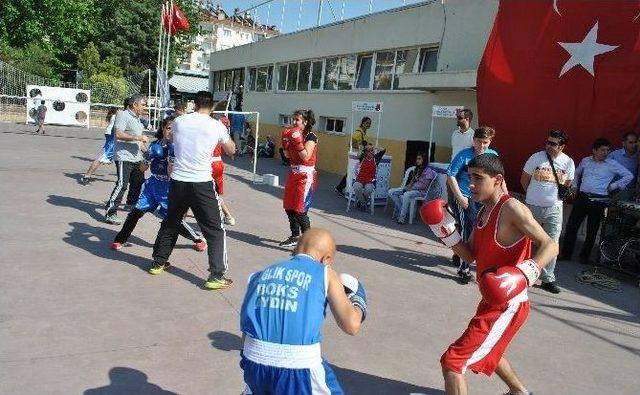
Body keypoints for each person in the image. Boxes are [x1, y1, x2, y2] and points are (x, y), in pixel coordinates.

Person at [421, 153, 558, 395]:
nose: (471, 184)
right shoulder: (483, 213)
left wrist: (525, 272)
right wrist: (445, 231)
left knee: (452, 362)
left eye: (478, 178)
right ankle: (520, 393)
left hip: (508, 303)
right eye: (469, 177)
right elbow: (470, 255)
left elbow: (550, 244)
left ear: (497, 180)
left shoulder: (512, 208)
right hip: (491, 298)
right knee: (491, 351)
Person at [239, 228, 366, 395]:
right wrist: (358, 299)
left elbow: (245, 332)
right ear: (326, 259)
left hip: (253, 361)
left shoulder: (258, 275)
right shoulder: (325, 272)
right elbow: (352, 325)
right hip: (299, 367)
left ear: (295, 249)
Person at [150, 91, 236, 290]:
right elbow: (231, 150)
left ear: (194, 104)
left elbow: (171, 138)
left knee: (171, 222)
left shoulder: (180, 122)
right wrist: (226, 134)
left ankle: (158, 262)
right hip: (201, 182)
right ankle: (216, 275)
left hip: (178, 181)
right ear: (211, 106)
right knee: (215, 229)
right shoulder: (216, 125)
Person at [110, 117, 206, 252]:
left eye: (175, 130)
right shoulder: (155, 144)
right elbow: (143, 169)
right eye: (168, 129)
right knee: (135, 212)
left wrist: (171, 156)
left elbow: (171, 173)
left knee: (173, 220)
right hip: (153, 185)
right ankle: (120, 239)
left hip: (170, 188)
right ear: (163, 128)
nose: (171, 132)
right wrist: (147, 157)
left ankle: (197, 238)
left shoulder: (181, 149)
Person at [560, 138, 633, 264]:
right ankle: (566, 253)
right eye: (602, 150)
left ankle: (584, 256)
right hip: (582, 197)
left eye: (607, 150)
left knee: (592, 229)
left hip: (599, 199)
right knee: (572, 226)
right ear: (594, 150)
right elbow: (576, 173)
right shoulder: (586, 160)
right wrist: (575, 186)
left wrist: (613, 186)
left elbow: (629, 175)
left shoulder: (612, 164)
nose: (605, 153)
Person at [520, 129, 575, 294]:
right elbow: (524, 179)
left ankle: (547, 278)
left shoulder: (568, 162)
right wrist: (532, 196)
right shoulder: (536, 157)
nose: (548, 146)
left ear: (562, 146)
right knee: (524, 240)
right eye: (547, 142)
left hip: (554, 208)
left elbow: (568, 183)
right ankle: (521, 272)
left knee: (552, 243)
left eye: (553, 144)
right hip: (532, 206)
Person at [447, 127, 500, 284]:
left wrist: (504, 196)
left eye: (485, 142)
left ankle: (460, 254)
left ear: (490, 142)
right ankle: (464, 268)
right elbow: (450, 175)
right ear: (473, 140)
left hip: (484, 199)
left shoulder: (493, 155)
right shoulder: (464, 155)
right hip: (465, 196)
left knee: (484, 230)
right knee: (468, 230)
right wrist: (460, 197)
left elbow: (498, 178)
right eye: (478, 141)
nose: (482, 145)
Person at [104, 95, 149, 225]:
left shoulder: (137, 119)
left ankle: (130, 204)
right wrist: (139, 137)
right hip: (124, 157)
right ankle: (110, 212)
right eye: (143, 105)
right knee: (122, 184)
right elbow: (118, 135)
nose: (144, 107)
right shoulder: (123, 115)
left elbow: (138, 141)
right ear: (134, 104)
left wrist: (147, 152)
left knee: (138, 181)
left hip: (136, 157)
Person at [279, 109, 318, 248]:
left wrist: (296, 142)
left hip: (305, 175)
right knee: (289, 206)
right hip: (293, 173)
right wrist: (285, 144)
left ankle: (309, 244)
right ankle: (295, 236)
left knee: (300, 210)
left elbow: (306, 156)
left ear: (305, 122)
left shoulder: (310, 136)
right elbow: (288, 157)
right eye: (293, 119)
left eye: (297, 120)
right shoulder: (293, 134)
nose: (294, 122)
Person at [387, 152, 436, 223]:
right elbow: (412, 182)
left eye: (419, 159)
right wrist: (406, 187)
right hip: (412, 189)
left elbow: (425, 186)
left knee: (406, 194)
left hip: (421, 192)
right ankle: (402, 210)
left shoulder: (428, 171)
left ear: (424, 160)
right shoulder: (417, 169)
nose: (417, 160)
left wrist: (411, 188)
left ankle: (402, 218)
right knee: (391, 192)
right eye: (417, 159)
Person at [210, 101, 236, 226]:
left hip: (209, 163)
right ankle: (228, 216)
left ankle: (222, 216)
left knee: (195, 190)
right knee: (217, 193)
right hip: (219, 162)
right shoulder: (222, 124)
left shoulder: (210, 125)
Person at [80, 105, 120, 185]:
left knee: (118, 158)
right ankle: (87, 176)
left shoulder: (113, 116)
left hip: (110, 135)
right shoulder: (116, 117)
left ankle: (121, 178)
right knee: (101, 157)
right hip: (112, 136)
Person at [335, 117, 372, 196]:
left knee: (352, 172)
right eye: (367, 123)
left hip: (359, 155)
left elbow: (361, 143)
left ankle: (341, 187)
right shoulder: (359, 132)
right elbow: (350, 144)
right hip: (356, 155)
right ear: (362, 123)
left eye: (369, 123)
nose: (368, 125)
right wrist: (362, 147)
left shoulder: (363, 132)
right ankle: (341, 188)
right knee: (352, 172)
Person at [352, 143, 386, 210]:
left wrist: (373, 147)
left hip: (370, 180)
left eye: (371, 150)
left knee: (369, 189)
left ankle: (361, 202)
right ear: (365, 152)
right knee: (356, 187)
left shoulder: (376, 158)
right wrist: (361, 149)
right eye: (368, 151)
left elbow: (383, 150)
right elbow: (358, 155)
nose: (370, 152)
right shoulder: (362, 157)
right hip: (360, 178)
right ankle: (363, 203)